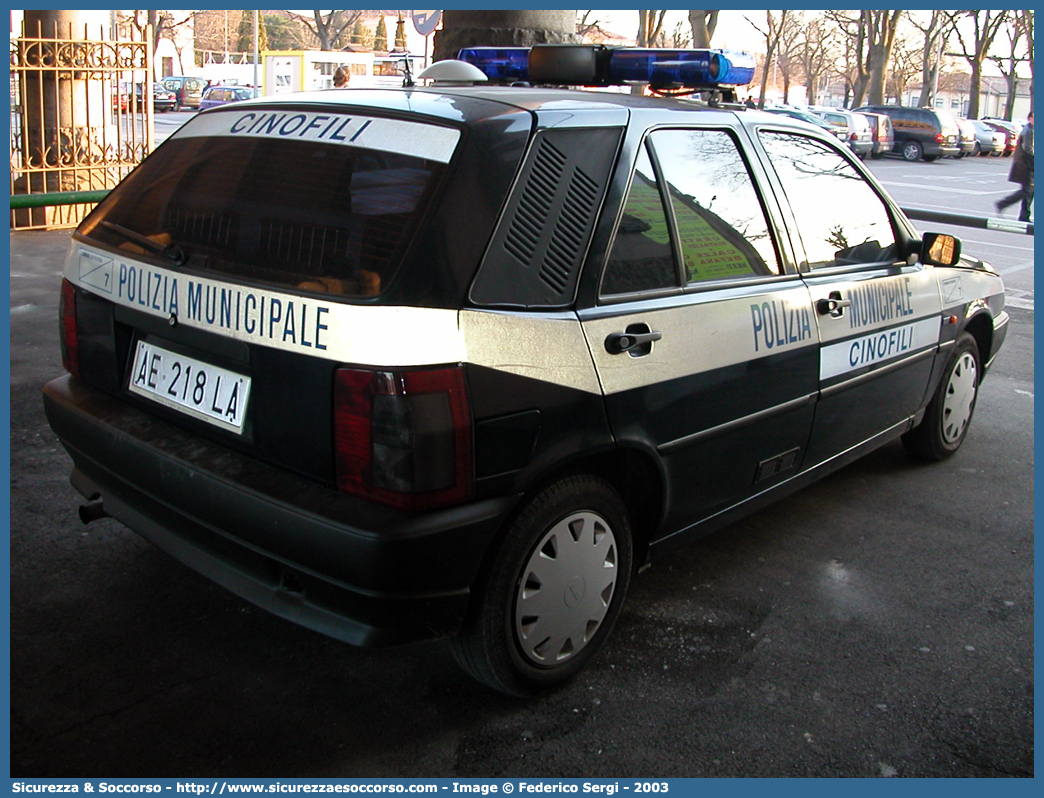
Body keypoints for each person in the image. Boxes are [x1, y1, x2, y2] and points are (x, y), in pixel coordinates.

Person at [996, 111, 1033, 222]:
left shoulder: (1032, 130)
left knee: (1030, 190)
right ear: (1030, 118)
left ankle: (1024, 215)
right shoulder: (1028, 131)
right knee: (1027, 190)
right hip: (1026, 166)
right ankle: (1002, 204)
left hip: (1029, 165)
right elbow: (1028, 149)